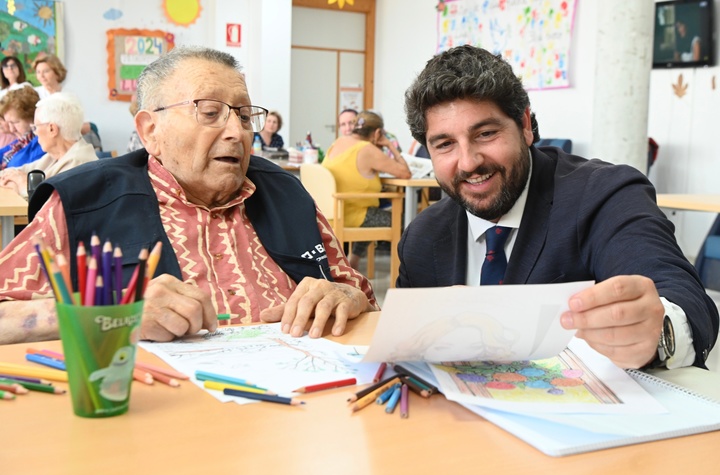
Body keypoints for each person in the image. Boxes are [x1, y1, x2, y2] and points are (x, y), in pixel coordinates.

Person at [0, 45, 378, 345]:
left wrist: (348, 297)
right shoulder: (83, 200)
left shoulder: (287, 193)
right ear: (151, 131)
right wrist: (115, 314)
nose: (237, 132)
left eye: (245, 117)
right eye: (210, 112)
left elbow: (361, 295)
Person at [400, 45, 718, 370]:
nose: (468, 162)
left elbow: (680, 293)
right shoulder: (422, 237)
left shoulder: (603, 194)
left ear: (525, 124)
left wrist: (658, 331)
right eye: (445, 144)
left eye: (486, 133)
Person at [322, 110, 411, 270]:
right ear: (377, 132)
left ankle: (353, 260)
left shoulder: (338, 142)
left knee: (371, 213)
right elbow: (405, 173)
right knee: (408, 220)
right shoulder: (367, 149)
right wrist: (390, 145)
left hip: (332, 213)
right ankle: (409, 273)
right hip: (352, 216)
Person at [0, 93, 98, 199]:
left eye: (36, 127)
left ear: (52, 129)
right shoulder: (54, 156)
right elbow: (12, 173)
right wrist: (19, 181)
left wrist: (23, 183)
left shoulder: (79, 164)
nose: (36, 133)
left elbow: (50, 206)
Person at [0, 85, 44, 169]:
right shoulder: (21, 141)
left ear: (31, 117)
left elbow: (15, 167)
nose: (12, 129)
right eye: (9, 123)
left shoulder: (41, 144)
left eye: (15, 122)